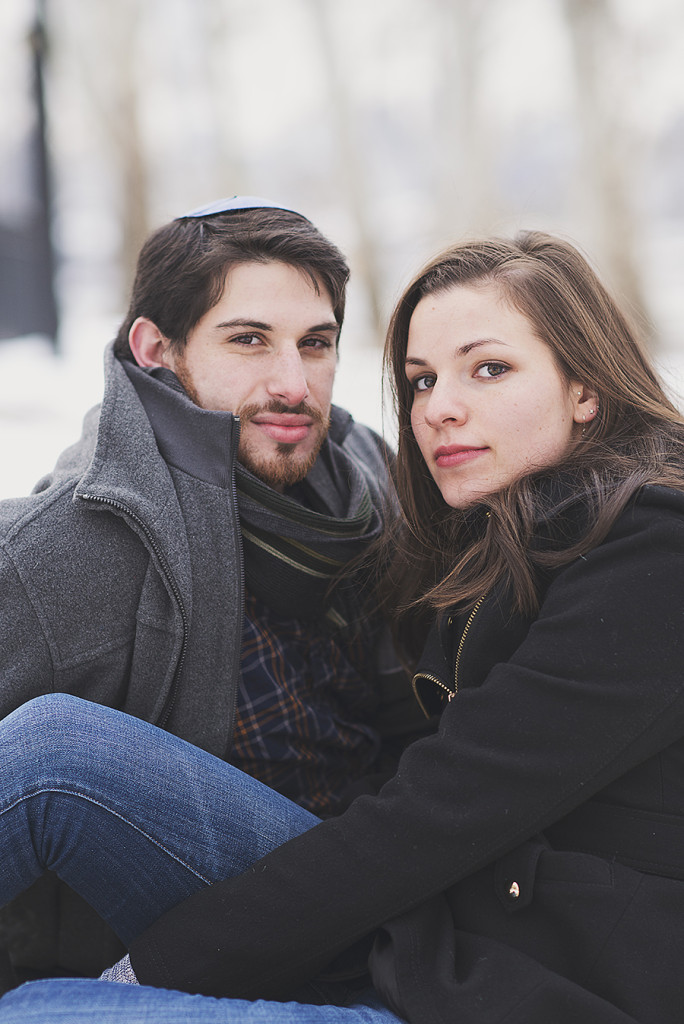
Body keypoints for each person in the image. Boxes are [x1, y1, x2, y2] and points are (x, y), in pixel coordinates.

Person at [1, 229, 683, 1023]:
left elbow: (435, 813)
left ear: (585, 389)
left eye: (489, 368)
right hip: (430, 926)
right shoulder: (497, 535)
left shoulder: (654, 559)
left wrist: (140, 976)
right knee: (53, 748)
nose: (440, 409)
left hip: (512, 986)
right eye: (422, 381)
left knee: (41, 1010)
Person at [0, 196, 420, 981]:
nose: (293, 384)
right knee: (54, 749)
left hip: (391, 876)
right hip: (224, 902)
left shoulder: (372, 478)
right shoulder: (72, 545)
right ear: (156, 348)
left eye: (316, 344)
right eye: (250, 341)